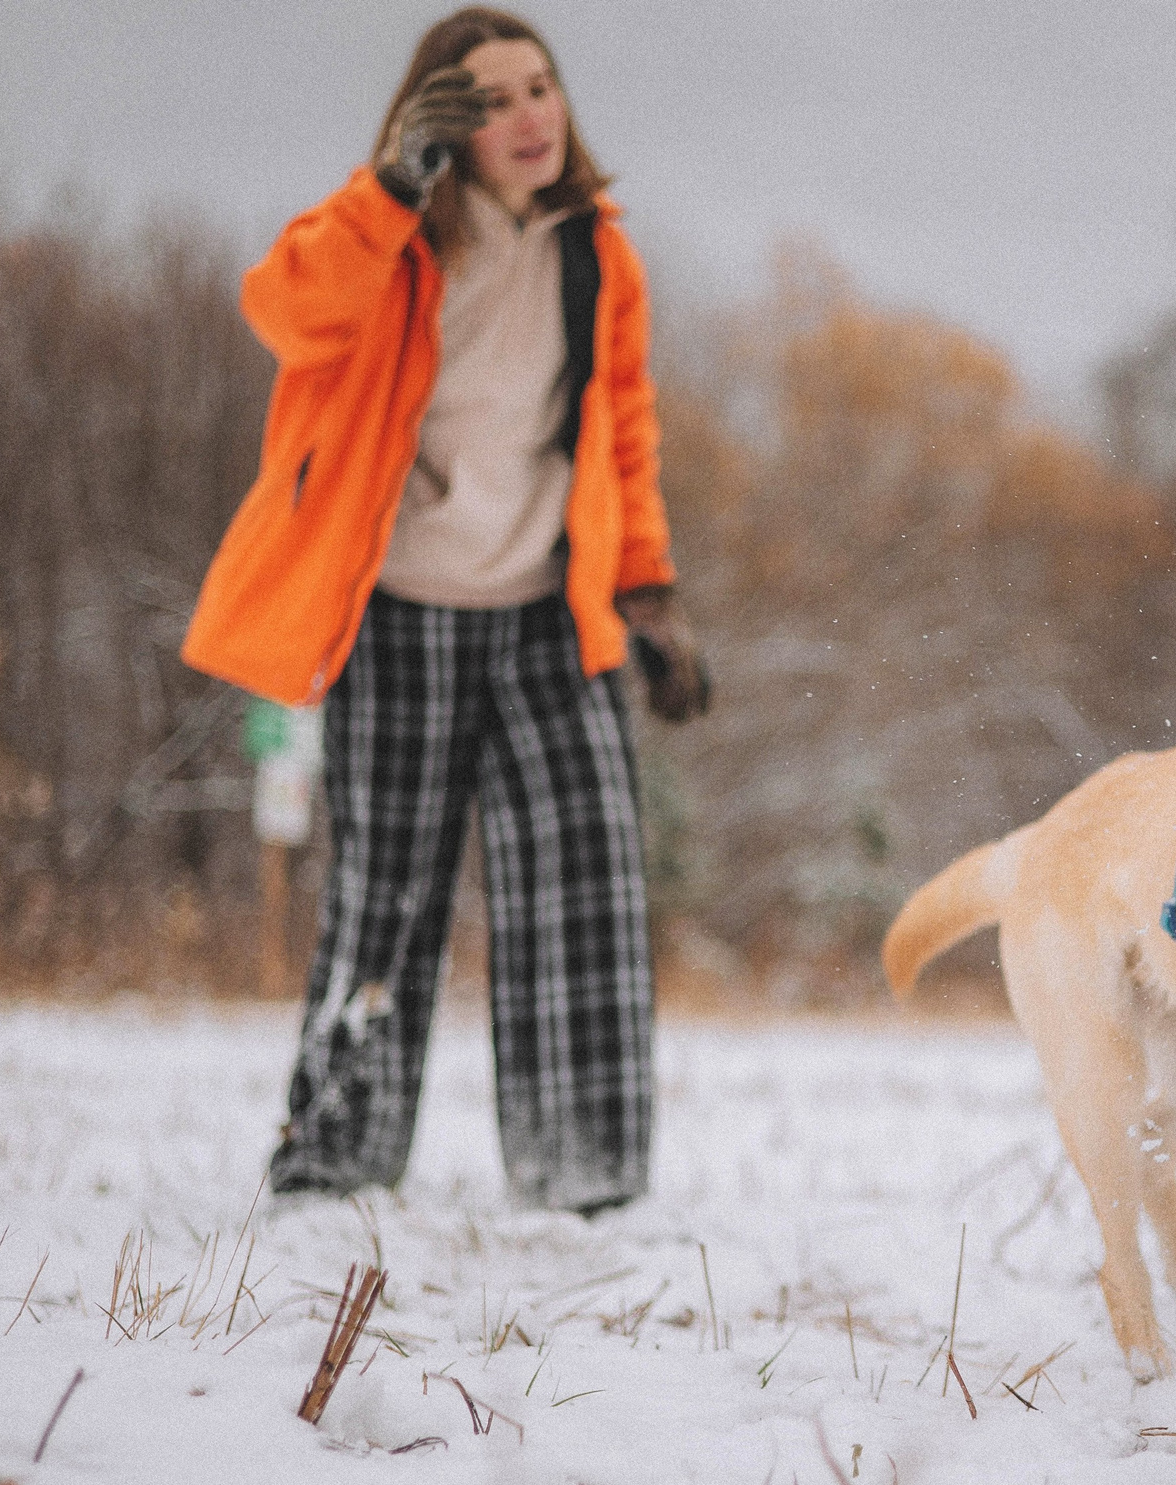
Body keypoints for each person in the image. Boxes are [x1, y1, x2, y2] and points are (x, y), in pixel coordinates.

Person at [181, 8, 709, 1213]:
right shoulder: (390, 238)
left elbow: (621, 428)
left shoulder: (596, 252)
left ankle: (585, 1174)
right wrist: (385, 189)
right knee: (386, 891)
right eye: (492, 99)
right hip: (402, 609)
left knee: (586, 883)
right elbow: (283, 309)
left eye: (541, 88)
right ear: (444, 124)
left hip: (546, 615)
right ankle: (334, 1164)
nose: (529, 116)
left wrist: (652, 598)